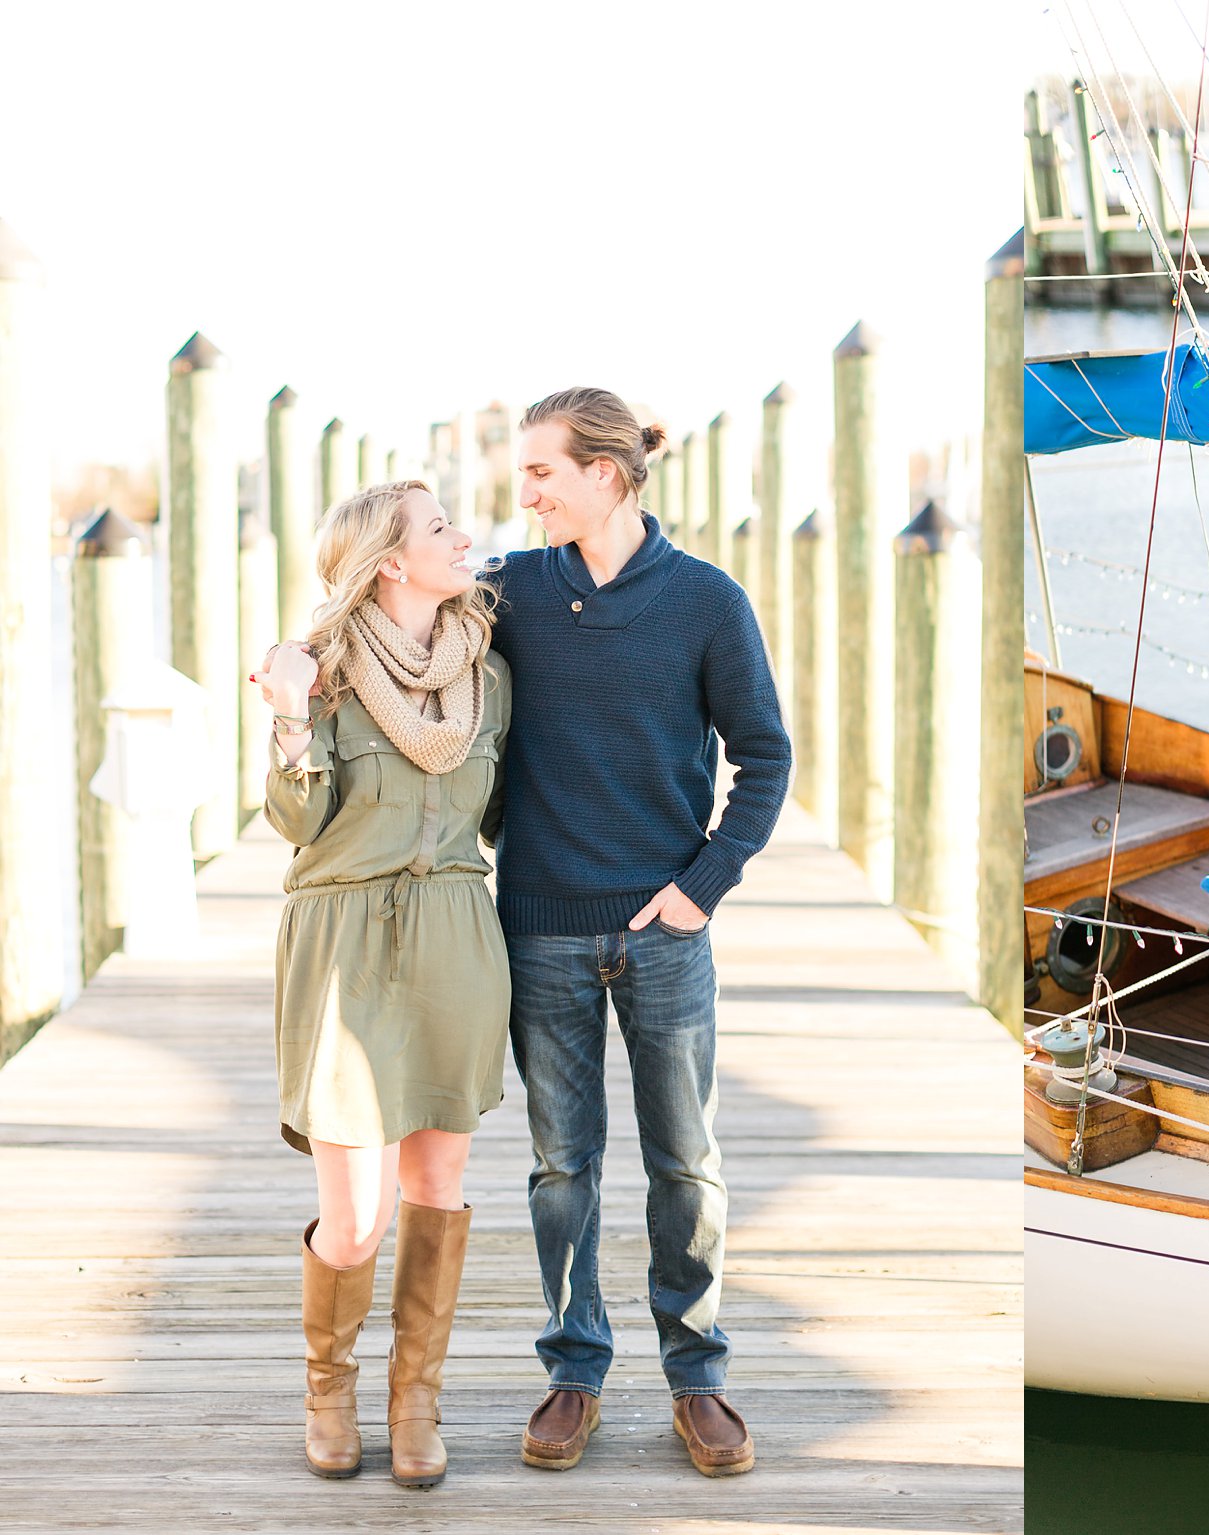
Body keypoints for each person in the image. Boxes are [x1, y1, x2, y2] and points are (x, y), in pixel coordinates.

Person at [486, 388, 789, 1477]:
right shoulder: (507, 591)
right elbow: (402, 621)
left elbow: (766, 755)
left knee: (686, 1163)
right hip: (538, 930)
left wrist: (703, 885)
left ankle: (695, 1373)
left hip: (663, 931)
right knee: (560, 1164)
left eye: (539, 472)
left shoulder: (706, 600)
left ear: (603, 474)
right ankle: (575, 1367)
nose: (522, 492)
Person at [250, 479, 510, 1488]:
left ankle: (415, 1400)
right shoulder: (317, 669)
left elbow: (505, 815)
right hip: (345, 939)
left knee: (435, 1184)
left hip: (455, 935)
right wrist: (284, 720)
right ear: (392, 560)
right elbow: (295, 823)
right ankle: (329, 1385)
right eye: (443, 528)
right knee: (355, 1212)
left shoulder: (489, 675)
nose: (465, 537)